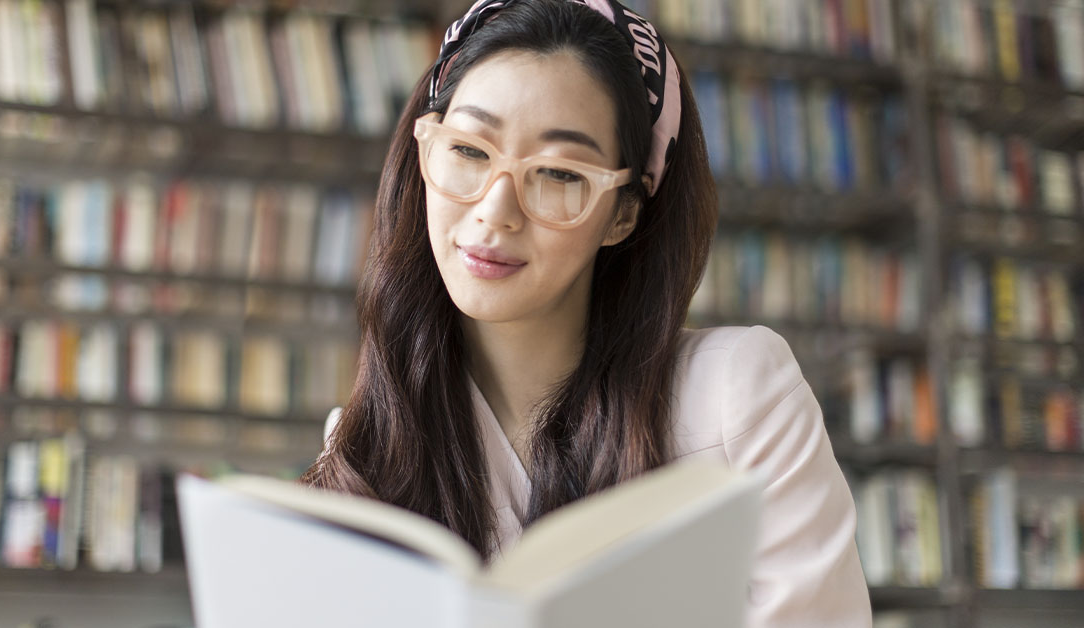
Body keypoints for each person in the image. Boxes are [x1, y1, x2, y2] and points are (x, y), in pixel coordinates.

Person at [300, 0, 872, 624]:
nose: (496, 210)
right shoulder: (368, 446)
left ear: (623, 213)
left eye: (559, 173)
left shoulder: (736, 396)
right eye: (468, 150)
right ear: (424, 154)